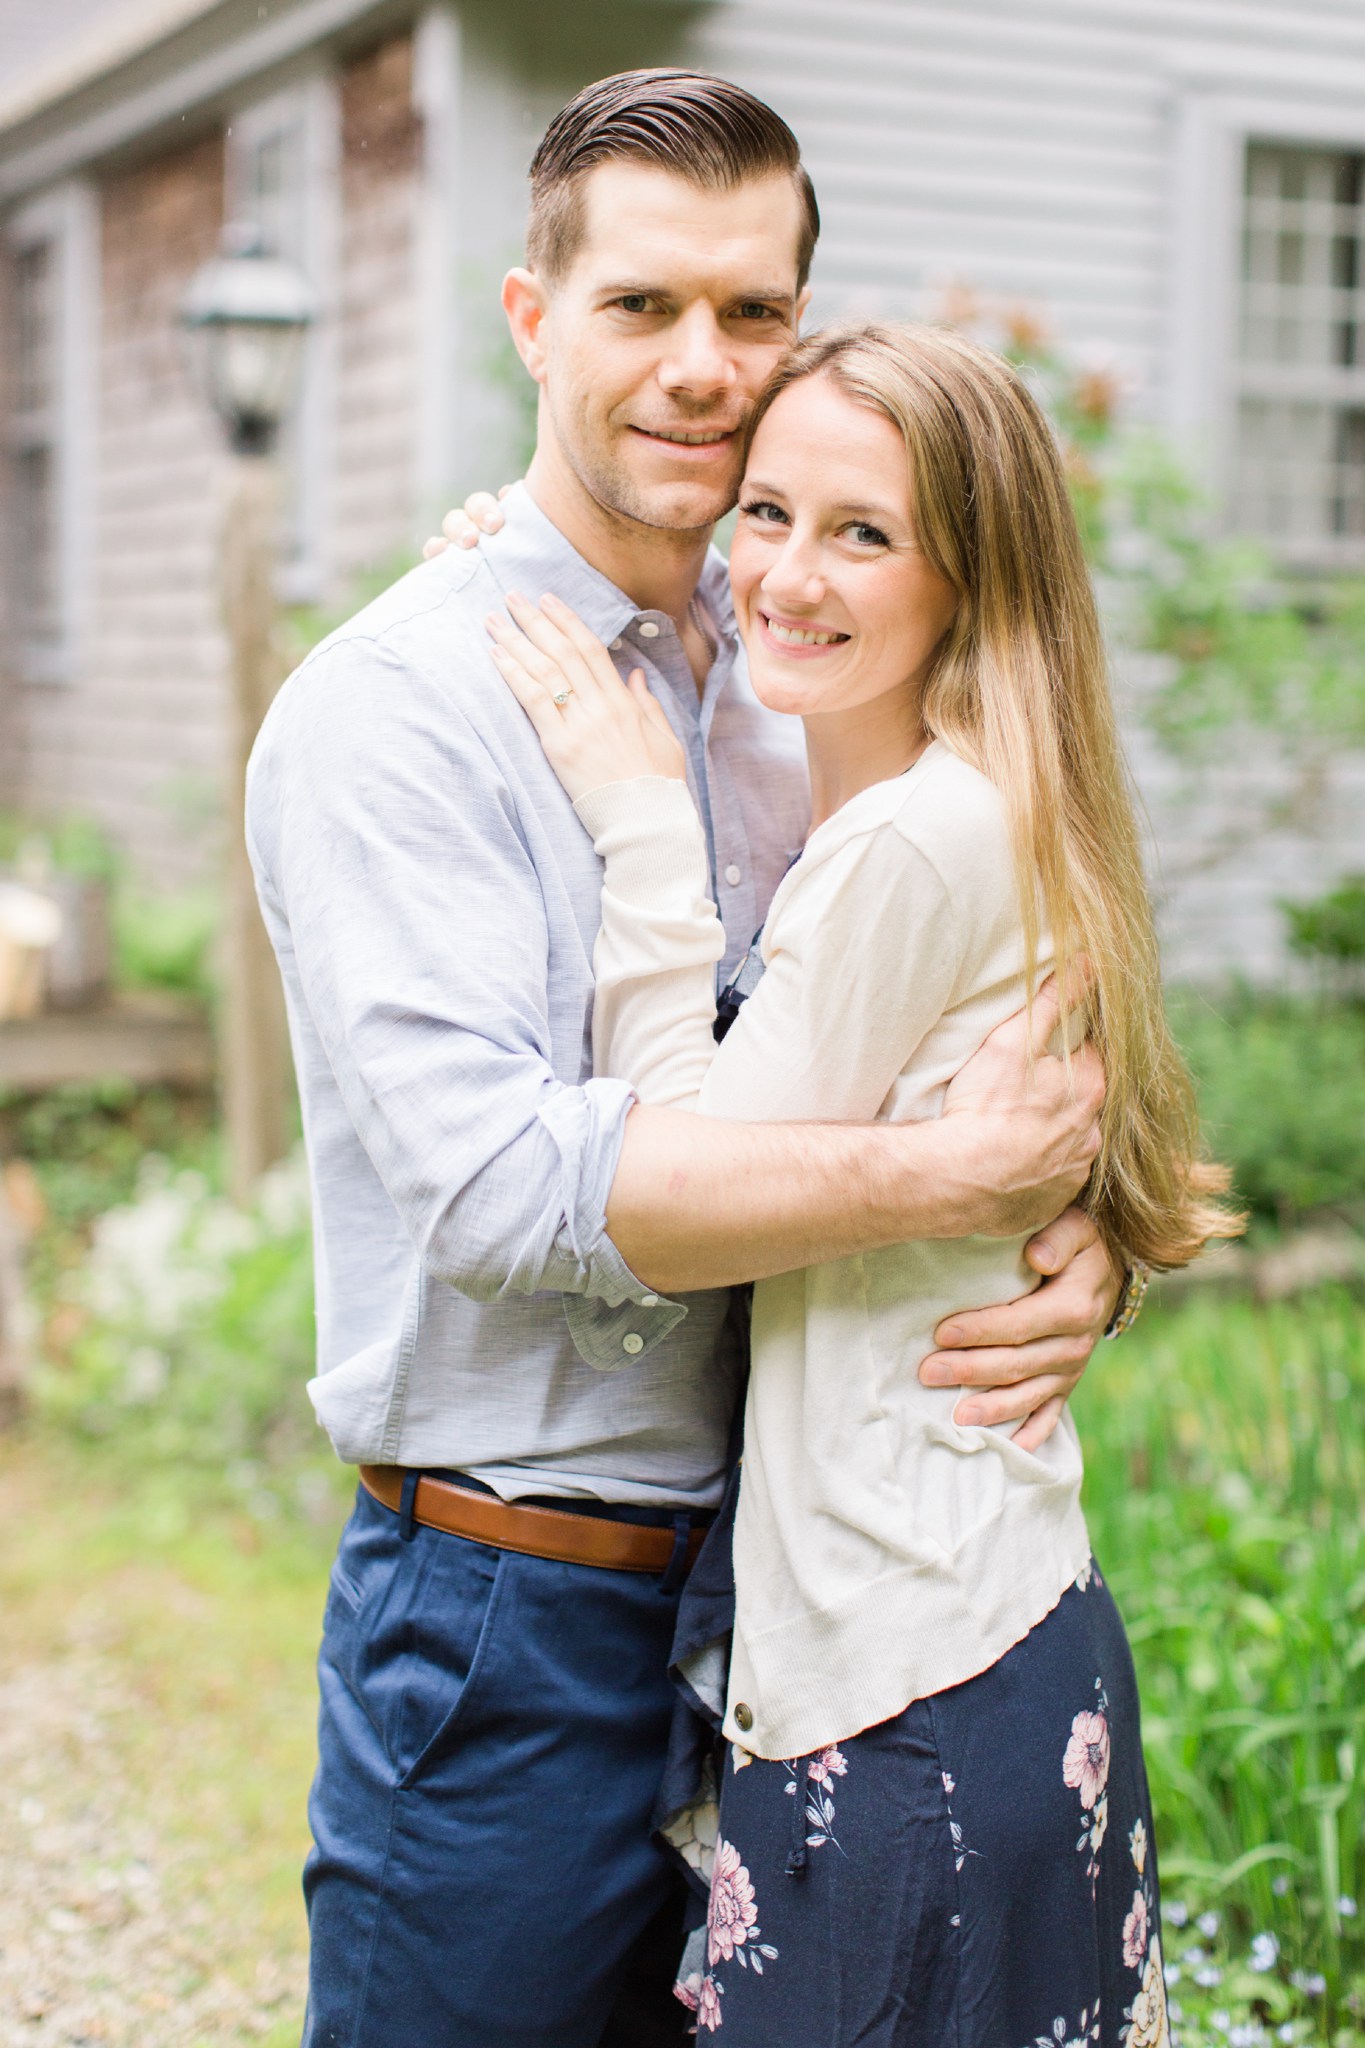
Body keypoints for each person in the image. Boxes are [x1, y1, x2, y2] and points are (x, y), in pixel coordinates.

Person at [246, 70, 1126, 2048]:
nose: (701, 367)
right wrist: (943, 1186)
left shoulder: (804, 658)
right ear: (530, 317)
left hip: (801, 1599)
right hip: (513, 1610)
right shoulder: (401, 711)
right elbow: (498, 1192)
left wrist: (1070, 1232)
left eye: (750, 312)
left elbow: (987, 1011)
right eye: (640, 306)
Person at [485, 320, 1239, 2045]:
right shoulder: (976, 806)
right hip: (984, 1623)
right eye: (764, 512)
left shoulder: (909, 838)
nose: (785, 575)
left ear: (972, 578)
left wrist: (643, 834)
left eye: (863, 533)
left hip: (902, 1677)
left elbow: (687, 1194)